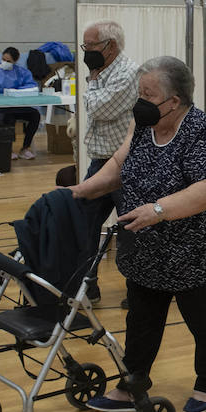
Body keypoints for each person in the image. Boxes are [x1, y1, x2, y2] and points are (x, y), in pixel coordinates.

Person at [71, 57, 206, 412]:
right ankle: (132, 382)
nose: (140, 102)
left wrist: (158, 209)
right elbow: (120, 164)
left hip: (199, 247)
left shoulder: (200, 130)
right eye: (140, 92)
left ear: (175, 101)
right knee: (140, 319)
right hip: (149, 247)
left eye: (147, 95)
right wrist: (81, 190)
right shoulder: (143, 124)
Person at [77, 20, 139, 301]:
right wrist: (93, 84)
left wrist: (90, 84)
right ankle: (87, 286)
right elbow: (93, 105)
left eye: (90, 46)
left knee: (130, 230)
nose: (86, 51)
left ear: (110, 46)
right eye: (85, 45)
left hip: (126, 165)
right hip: (100, 162)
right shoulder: (100, 72)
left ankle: (137, 289)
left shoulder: (128, 73)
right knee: (83, 224)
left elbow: (99, 108)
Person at [0, 46, 41, 161]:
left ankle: (25, 148)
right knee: (8, 117)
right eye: (3, 59)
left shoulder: (20, 72)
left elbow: (31, 85)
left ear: (15, 61)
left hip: (15, 106)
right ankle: (7, 149)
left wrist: (17, 91)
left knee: (35, 115)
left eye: (8, 61)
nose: (5, 62)